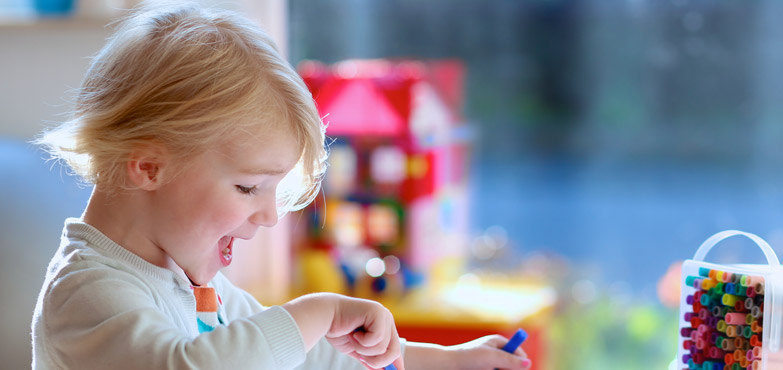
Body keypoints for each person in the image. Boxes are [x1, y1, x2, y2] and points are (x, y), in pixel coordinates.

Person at [30, 3, 532, 370]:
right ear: (148, 166)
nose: (270, 216)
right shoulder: (89, 293)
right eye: (249, 188)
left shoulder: (192, 284)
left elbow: (305, 355)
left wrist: (443, 362)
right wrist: (318, 310)